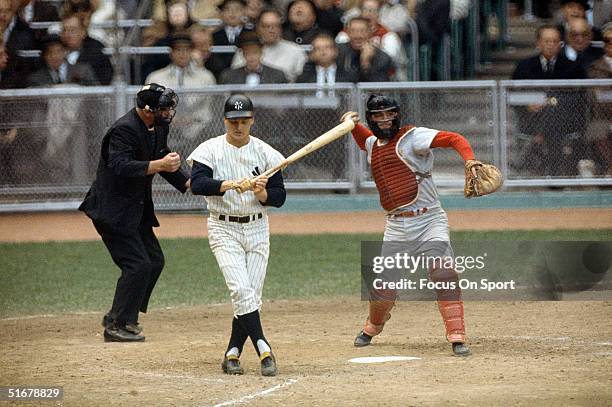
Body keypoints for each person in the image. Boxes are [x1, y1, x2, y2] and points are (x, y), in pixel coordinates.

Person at [342, 94, 472, 356]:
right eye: (378, 116)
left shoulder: (414, 137)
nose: (385, 120)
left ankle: (457, 335)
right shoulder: (373, 144)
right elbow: (365, 141)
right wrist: (351, 124)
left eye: (389, 114)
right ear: (371, 119)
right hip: (397, 226)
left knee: (443, 272)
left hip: (429, 219)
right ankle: (373, 326)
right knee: (383, 287)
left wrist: (468, 160)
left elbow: (455, 139)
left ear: (398, 114)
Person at [79, 83, 190, 342]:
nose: (168, 113)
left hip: (136, 210)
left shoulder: (158, 125)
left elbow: (161, 156)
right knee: (137, 265)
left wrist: (186, 182)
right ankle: (118, 325)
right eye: (163, 109)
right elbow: (120, 166)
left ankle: (122, 313)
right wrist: (159, 164)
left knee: (154, 261)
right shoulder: (123, 130)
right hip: (112, 211)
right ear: (147, 110)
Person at [187, 94, 287, 376]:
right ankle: (264, 349)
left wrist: (262, 193)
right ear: (224, 121)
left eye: (244, 121)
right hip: (223, 227)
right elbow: (198, 184)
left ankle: (232, 353)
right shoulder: (209, 149)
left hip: (257, 227)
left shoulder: (266, 153)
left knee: (251, 296)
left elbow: (279, 196)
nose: (239, 127)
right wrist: (232, 184)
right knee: (241, 290)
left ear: (252, 120)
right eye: (233, 122)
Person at [511, 24, 588, 176]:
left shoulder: (573, 67)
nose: (550, 45)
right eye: (547, 41)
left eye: (554, 41)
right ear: (538, 43)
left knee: (552, 114)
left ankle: (535, 160)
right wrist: (528, 105)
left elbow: (580, 98)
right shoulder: (524, 67)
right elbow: (513, 96)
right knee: (550, 117)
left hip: (566, 120)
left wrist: (552, 103)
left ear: (560, 44)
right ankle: (554, 170)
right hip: (532, 119)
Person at [232, 8, 307, 82]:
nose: (271, 30)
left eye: (275, 26)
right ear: (257, 28)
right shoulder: (246, 50)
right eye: (266, 26)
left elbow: (303, 81)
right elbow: (235, 77)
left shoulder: (295, 50)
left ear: (281, 28)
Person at [60, 11, 113, 85]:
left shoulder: (96, 50)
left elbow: (104, 79)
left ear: (83, 32)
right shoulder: (55, 48)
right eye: (64, 30)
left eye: (72, 30)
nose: (67, 34)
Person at [27, 33, 98, 86]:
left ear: (65, 52)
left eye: (58, 51)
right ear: (44, 56)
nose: (54, 56)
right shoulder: (36, 79)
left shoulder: (83, 71)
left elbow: (96, 96)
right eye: (50, 53)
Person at [220, 30, 288, 84]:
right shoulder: (228, 76)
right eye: (247, 53)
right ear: (243, 55)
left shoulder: (277, 75)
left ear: (261, 53)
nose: (251, 57)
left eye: (255, 52)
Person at [337, 17, 393, 82]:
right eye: (353, 31)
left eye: (362, 31)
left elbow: (378, 87)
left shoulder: (383, 58)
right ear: (347, 33)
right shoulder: (337, 52)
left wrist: (366, 63)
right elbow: (340, 81)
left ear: (370, 33)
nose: (358, 36)